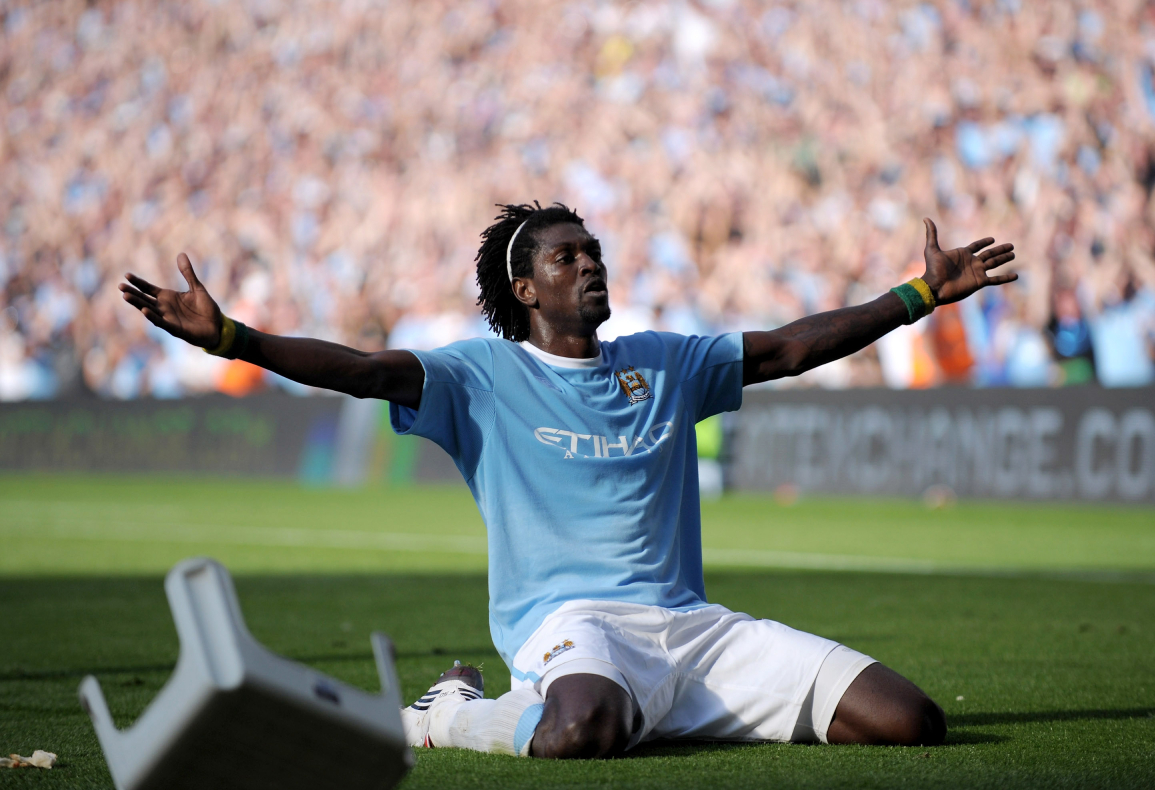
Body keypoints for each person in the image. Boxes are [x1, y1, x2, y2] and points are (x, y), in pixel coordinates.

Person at [120, 203, 1017, 759]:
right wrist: (235, 338)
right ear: (523, 288)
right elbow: (359, 369)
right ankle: (449, 714)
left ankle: (646, 711)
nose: (590, 264)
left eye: (593, 252)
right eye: (565, 257)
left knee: (910, 722)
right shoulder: (478, 376)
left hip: (692, 628)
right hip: (571, 627)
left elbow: (788, 347)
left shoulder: (667, 361)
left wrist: (917, 296)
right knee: (578, 729)